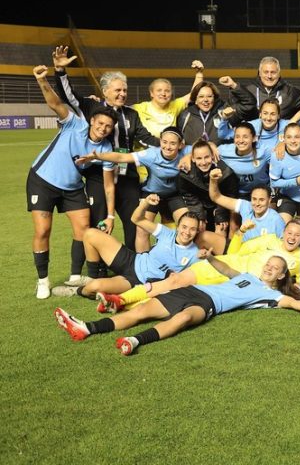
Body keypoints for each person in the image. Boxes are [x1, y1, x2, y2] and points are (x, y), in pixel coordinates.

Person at [54, 254, 300, 356]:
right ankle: (86, 328)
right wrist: (210, 258)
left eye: (275, 268)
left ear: (281, 275)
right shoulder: (247, 276)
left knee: (184, 319)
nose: (269, 268)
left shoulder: (270, 296)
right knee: (140, 311)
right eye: (268, 264)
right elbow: (227, 269)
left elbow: (293, 304)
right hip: (192, 289)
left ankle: (135, 342)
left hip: (208, 304)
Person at [51, 46, 159, 250]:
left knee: (133, 222)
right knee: (100, 223)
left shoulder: (132, 114)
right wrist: (60, 71)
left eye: (125, 90)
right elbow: (68, 96)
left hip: (127, 177)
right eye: (118, 90)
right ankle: (98, 268)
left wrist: (170, 145)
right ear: (105, 91)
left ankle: (134, 265)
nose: (122, 94)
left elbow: (146, 138)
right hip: (98, 175)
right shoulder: (92, 107)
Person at [28, 64, 117, 298]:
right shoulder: (76, 124)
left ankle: (76, 277)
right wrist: (41, 80)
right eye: (100, 123)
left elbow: (109, 184)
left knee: (82, 229)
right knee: (43, 230)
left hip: (73, 188)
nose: (103, 128)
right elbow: (55, 104)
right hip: (43, 179)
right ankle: (43, 280)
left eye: (108, 127)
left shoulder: (106, 148)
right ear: (93, 120)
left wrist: (110, 215)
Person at [97, 219, 300, 313]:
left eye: (298, 235)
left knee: (175, 295)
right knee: (174, 281)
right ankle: (121, 299)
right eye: (290, 232)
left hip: (236, 285)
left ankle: (125, 306)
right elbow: (236, 252)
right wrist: (240, 233)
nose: (292, 237)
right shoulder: (268, 239)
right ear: (283, 232)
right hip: (224, 266)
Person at [64, 195, 201, 298]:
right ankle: (93, 277)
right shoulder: (167, 233)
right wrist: (145, 203)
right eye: (184, 227)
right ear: (178, 227)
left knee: (94, 287)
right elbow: (136, 219)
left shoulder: (194, 254)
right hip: (132, 260)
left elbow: (192, 278)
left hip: (136, 281)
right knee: (90, 234)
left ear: (197, 231)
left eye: (192, 229)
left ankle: (77, 291)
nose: (187, 232)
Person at [77, 126, 187, 252]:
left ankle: (182, 260)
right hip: (151, 194)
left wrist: (189, 157)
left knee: (187, 224)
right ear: (160, 141)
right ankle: (143, 265)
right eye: (164, 142)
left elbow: (208, 149)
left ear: (180, 145)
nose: (167, 146)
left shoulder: (186, 152)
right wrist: (98, 156)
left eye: (173, 143)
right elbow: (122, 158)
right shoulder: (151, 154)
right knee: (141, 229)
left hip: (174, 195)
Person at [172, 139, 239, 236]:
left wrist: (221, 216)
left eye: (206, 157)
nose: (203, 162)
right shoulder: (185, 174)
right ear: (193, 159)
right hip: (200, 205)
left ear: (212, 156)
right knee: (197, 228)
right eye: (199, 158)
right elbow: (189, 196)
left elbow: (229, 196)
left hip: (220, 206)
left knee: (221, 229)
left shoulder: (225, 172)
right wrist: (199, 216)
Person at [208, 170, 286, 245]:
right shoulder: (246, 206)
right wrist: (212, 180)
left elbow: (283, 245)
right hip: (243, 251)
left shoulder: (276, 220)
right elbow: (216, 197)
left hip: (262, 256)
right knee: (205, 237)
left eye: (261, 200)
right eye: (254, 199)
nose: (257, 203)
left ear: (269, 200)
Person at [130, 61, 205, 137]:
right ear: (151, 93)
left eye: (167, 91)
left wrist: (199, 73)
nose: (163, 94)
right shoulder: (139, 108)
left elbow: (194, 94)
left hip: (168, 148)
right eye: (159, 90)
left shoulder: (175, 106)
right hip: (144, 148)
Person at [221, 56, 300, 120]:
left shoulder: (291, 93)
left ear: (279, 73)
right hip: (252, 139)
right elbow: (229, 111)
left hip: (280, 139)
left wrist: (293, 121)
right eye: (266, 72)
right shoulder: (247, 90)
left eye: (273, 72)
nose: (269, 76)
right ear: (259, 73)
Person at [218, 123, 272, 198]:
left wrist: (281, 145)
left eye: (245, 137)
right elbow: (207, 150)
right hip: (240, 194)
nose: (241, 140)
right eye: (237, 137)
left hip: (263, 191)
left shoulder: (264, 151)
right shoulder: (224, 151)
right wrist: (211, 145)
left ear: (254, 138)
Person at [177, 80, 227, 145]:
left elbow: (244, 106)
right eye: (201, 96)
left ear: (214, 99)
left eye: (209, 96)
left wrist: (233, 85)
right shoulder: (185, 115)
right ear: (195, 100)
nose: (205, 100)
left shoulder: (223, 113)